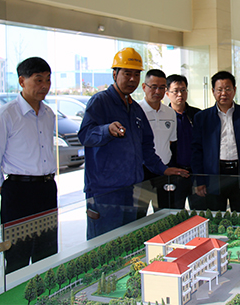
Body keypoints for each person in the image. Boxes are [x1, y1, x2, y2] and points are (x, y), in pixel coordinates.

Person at [78, 48, 188, 238]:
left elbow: (146, 148)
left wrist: (163, 169)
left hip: (131, 190)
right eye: (127, 73)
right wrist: (106, 130)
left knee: (127, 243)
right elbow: (85, 135)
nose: (132, 79)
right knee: (105, 245)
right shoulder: (100, 101)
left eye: (136, 74)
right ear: (115, 74)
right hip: (105, 193)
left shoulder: (135, 109)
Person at [0, 57, 58, 273]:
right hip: (18, 191)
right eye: (38, 80)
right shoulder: (5, 115)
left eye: (48, 80)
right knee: (18, 255)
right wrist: (10, 192)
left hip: (46, 189)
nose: (44, 86)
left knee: (47, 251)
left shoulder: (48, 114)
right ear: (22, 81)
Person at [191, 71, 240, 212]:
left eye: (228, 89)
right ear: (213, 91)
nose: (224, 93)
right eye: (219, 89)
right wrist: (199, 180)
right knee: (216, 216)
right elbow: (196, 151)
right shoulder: (202, 117)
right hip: (214, 174)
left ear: (234, 90)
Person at [165, 74, 202, 209]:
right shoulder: (163, 116)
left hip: (195, 174)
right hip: (173, 174)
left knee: (199, 213)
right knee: (173, 213)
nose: (180, 94)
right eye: (175, 91)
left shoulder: (197, 115)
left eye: (183, 90)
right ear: (167, 93)